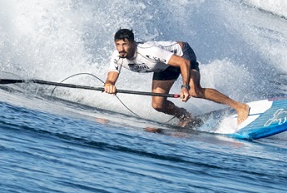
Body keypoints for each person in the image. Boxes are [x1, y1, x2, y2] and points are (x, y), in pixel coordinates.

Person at [104, 28, 250, 124]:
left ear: (133, 43)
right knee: (158, 105)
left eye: (125, 44)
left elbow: (183, 62)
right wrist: (109, 85)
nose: (121, 48)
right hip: (164, 66)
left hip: (182, 55)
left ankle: (240, 106)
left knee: (194, 91)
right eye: (118, 44)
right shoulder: (117, 56)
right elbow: (111, 78)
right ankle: (186, 117)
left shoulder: (149, 51)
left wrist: (185, 87)